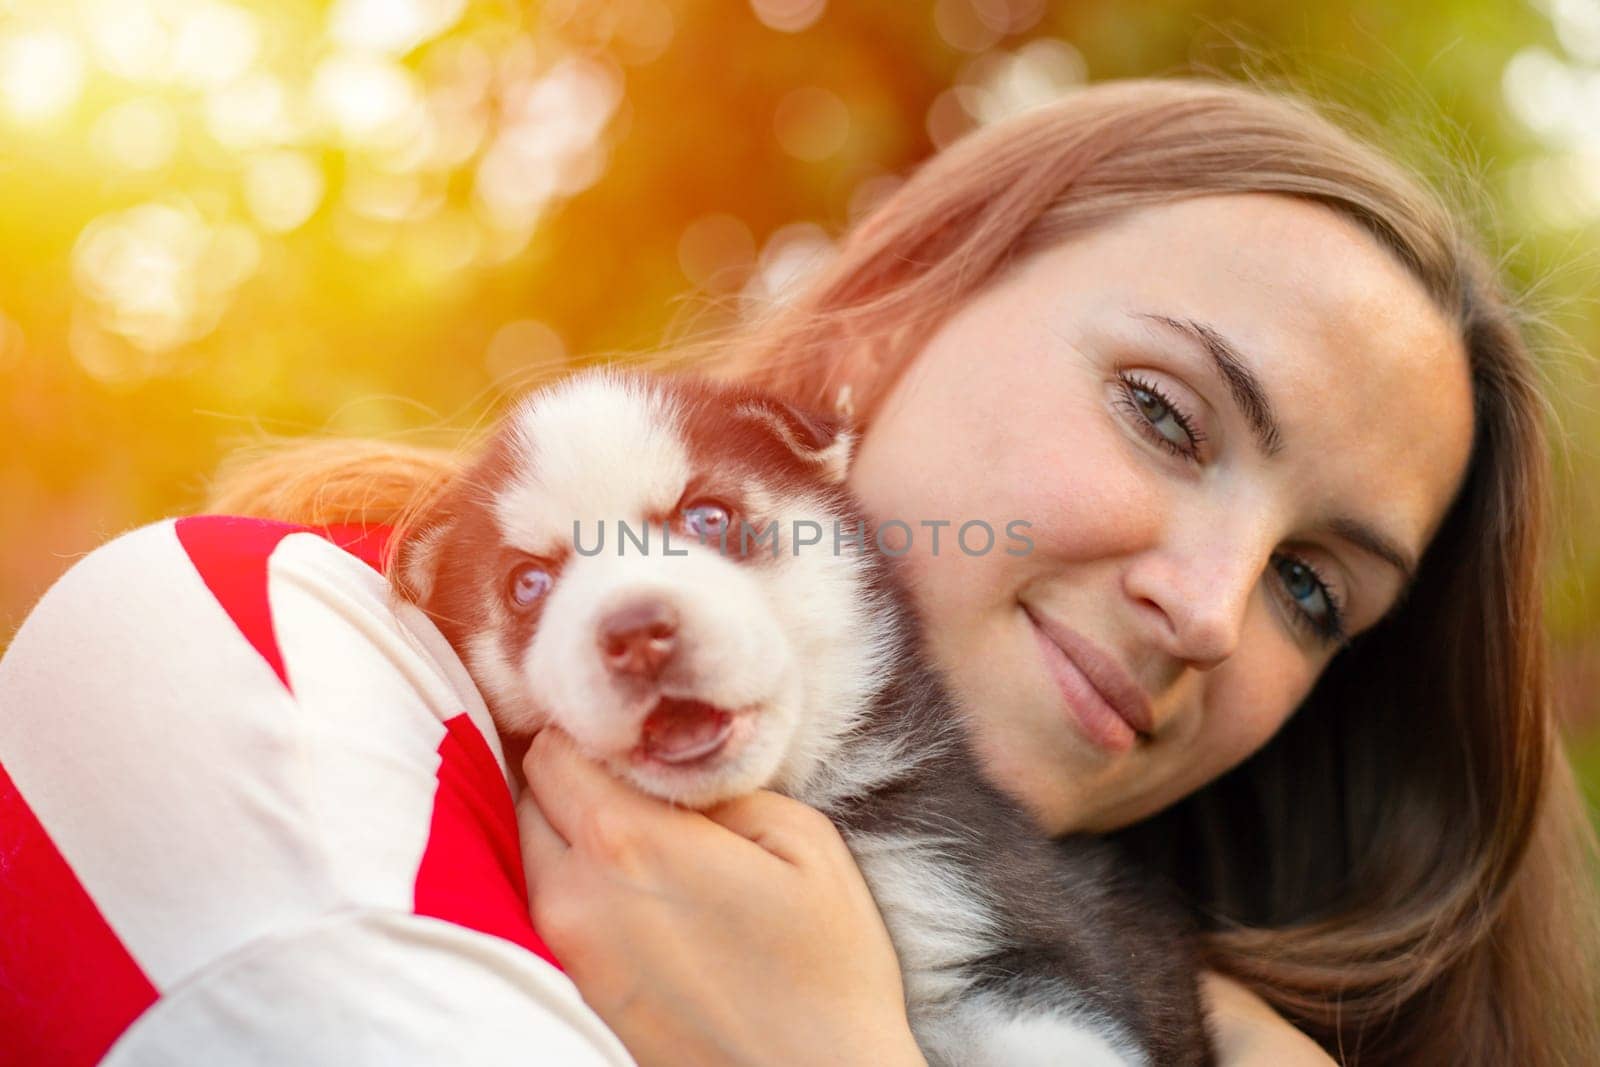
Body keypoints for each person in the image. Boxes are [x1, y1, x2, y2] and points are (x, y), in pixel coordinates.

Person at [2, 77, 1596, 1066]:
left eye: (1316, 592)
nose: (1210, 599)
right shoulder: (269, 667)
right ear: (881, 330)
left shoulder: (1187, 998)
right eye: (1163, 414)